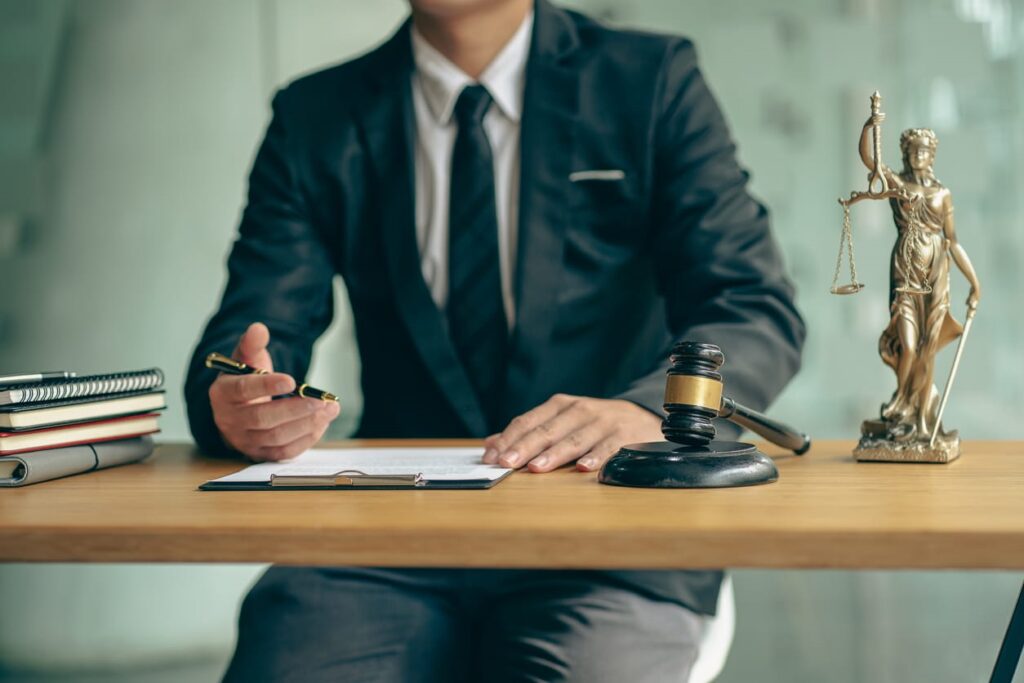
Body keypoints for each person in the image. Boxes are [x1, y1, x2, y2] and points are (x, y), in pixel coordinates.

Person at [185, 0, 805, 680]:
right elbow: (249, 333)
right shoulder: (317, 114)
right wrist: (239, 398)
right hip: (389, 540)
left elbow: (751, 306)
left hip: (609, 532)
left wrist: (650, 412)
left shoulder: (648, 81)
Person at [857, 118, 981, 441]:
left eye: (924, 150)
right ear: (906, 154)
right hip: (905, 273)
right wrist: (870, 125)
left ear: (932, 155)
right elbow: (870, 161)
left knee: (928, 349)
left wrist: (974, 282)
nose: (918, 156)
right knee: (909, 346)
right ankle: (902, 406)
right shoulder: (899, 186)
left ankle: (920, 421)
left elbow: (953, 241)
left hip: (936, 275)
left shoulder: (943, 195)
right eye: (912, 150)